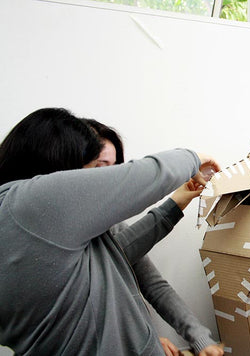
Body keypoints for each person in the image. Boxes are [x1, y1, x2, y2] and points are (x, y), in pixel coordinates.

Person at [0, 108, 220, 356]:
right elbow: (147, 178)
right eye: (98, 167)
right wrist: (192, 158)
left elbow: (125, 261)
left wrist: (175, 204)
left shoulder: (24, 225)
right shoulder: (33, 204)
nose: (104, 180)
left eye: (113, 169)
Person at [83, 118, 224, 356]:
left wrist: (201, 339)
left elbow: (153, 285)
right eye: (99, 167)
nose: (109, 179)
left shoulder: (111, 223)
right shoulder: (57, 238)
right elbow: (108, 262)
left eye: (115, 168)